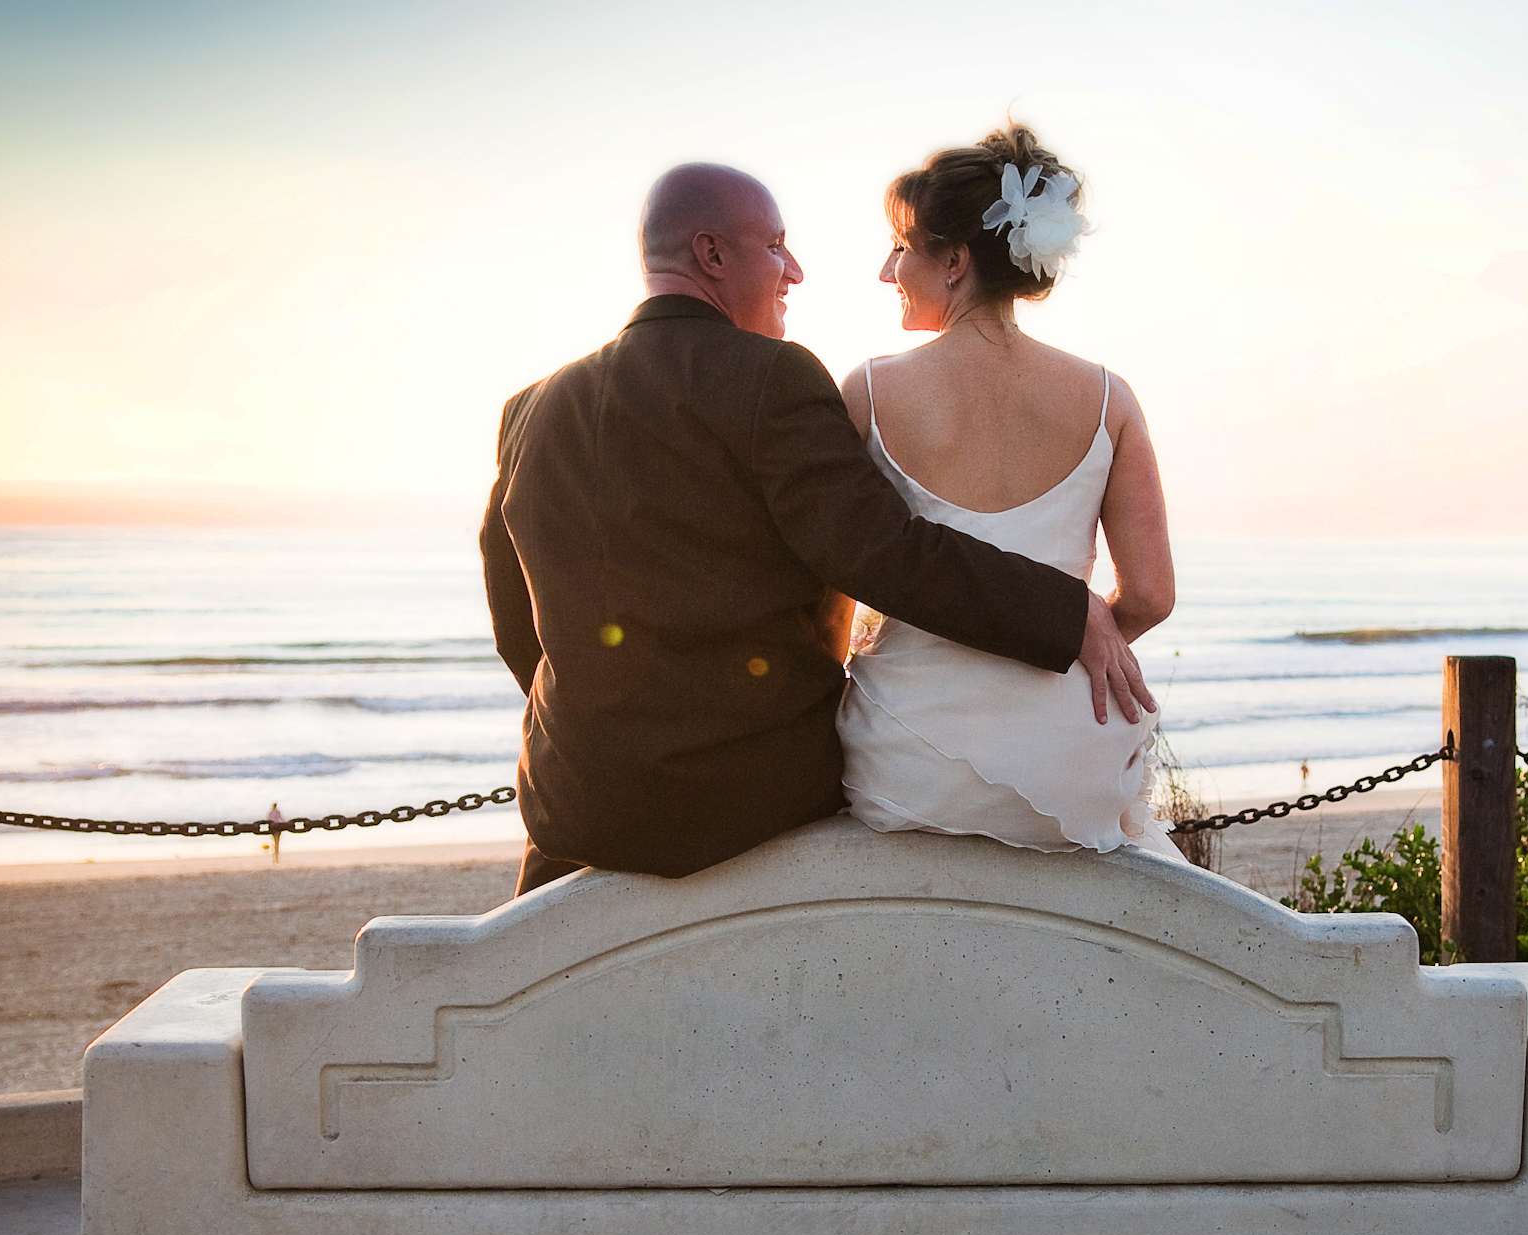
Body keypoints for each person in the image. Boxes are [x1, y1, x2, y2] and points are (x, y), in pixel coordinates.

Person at [479, 163, 1154, 894]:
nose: (794, 271)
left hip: (576, 799)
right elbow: (878, 554)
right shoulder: (774, 378)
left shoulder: (530, 408)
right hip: (756, 801)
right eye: (775, 246)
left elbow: (517, 619)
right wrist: (1065, 609)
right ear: (710, 255)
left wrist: (596, 727)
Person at [837, 126, 1182, 860]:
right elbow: (1150, 596)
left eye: (901, 248)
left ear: (955, 261)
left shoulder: (868, 390)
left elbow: (840, 569)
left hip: (910, 757)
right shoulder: (1109, 399)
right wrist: (1082, 648)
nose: (885, 269)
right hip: (1073, 759)